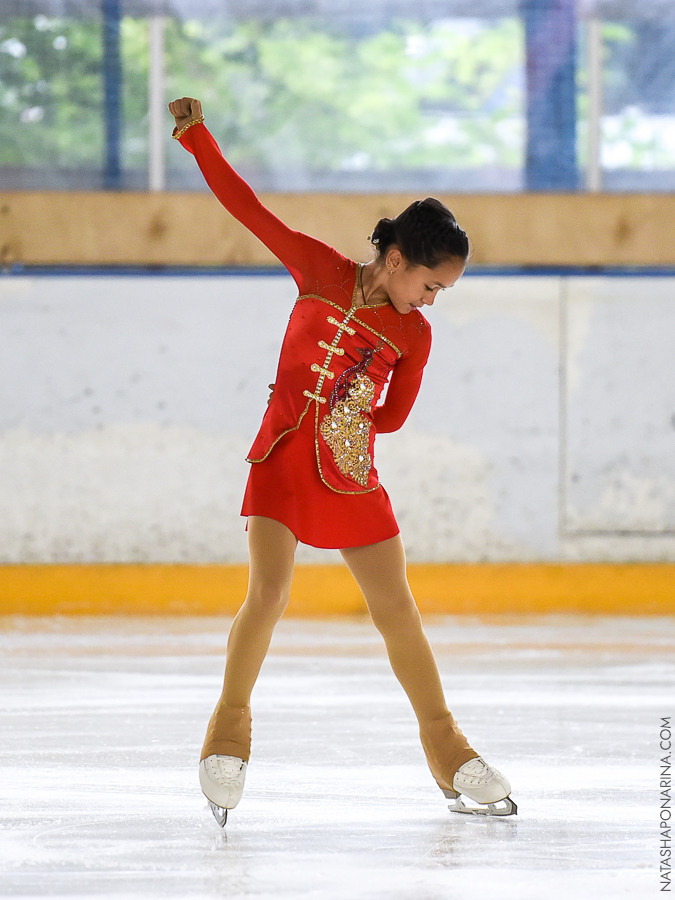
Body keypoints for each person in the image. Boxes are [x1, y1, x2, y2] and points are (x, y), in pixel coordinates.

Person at [168, 97, 516, 823]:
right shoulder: (317, 270)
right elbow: (249, 208)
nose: (430, 301)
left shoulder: (414, 336)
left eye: (441, 293)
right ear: (395, 259)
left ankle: (447, 749)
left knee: (396, 609)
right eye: (428, 285)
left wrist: (354, 408)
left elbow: (391, 416)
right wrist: (197, 137)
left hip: (350, 473)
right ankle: (226, 734)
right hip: (280, 458)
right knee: (267, 594)